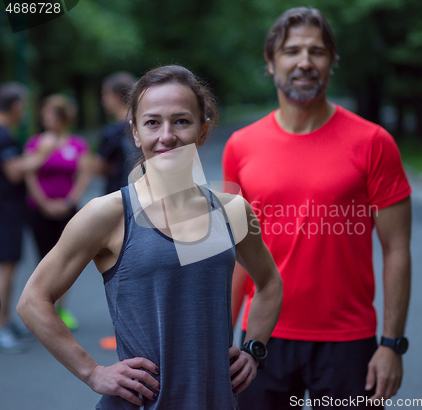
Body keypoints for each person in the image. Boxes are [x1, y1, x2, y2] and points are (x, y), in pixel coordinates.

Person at [17, 65, 283, 409]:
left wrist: (253, 350)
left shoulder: (232, 210)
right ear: (136, 132)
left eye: (182, 121)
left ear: (204, 130)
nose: (167, 135)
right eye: (153, 122)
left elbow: (269, 284)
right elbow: (33, 300)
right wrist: (93, 372)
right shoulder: (109, 213)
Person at [223, 7, 412, 409]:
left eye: (317, 51)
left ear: (331, 62)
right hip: (261, 338)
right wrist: (218, 339)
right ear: (270, 62)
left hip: (348, 343)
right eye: (292, 51)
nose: (305, 61)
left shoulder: (374, 142)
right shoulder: (240, 146)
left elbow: (396, 249)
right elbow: (237, 251)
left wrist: (392, 344)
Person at [24, 94, 91, 330]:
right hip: (39, 210)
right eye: (45, 116)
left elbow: (83, 175)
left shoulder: (77, 145)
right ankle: (41, 308)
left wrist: (69, 201)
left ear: (63, 118)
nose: (47, 120)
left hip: (67, 209)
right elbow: (29, 175)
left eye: (51, 115)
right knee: (43, 258)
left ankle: (61, 309)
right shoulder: (35, 144)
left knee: (65, 260)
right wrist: (44, 203)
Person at [0, 82, 55, 352]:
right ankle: (2, 326)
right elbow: (14, 172)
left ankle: (6, 321)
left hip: (9, 211)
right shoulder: (3, 136)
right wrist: (41, 154)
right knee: (5, 270)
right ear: (16, 106)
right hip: (6, 211)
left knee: (8, 268)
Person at [94, 71, 141, 194]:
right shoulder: (146, 125)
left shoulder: (112, 131)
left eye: (105, 95)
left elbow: (98, 167)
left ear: (117, 96)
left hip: (120, 195)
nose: (103, 101)